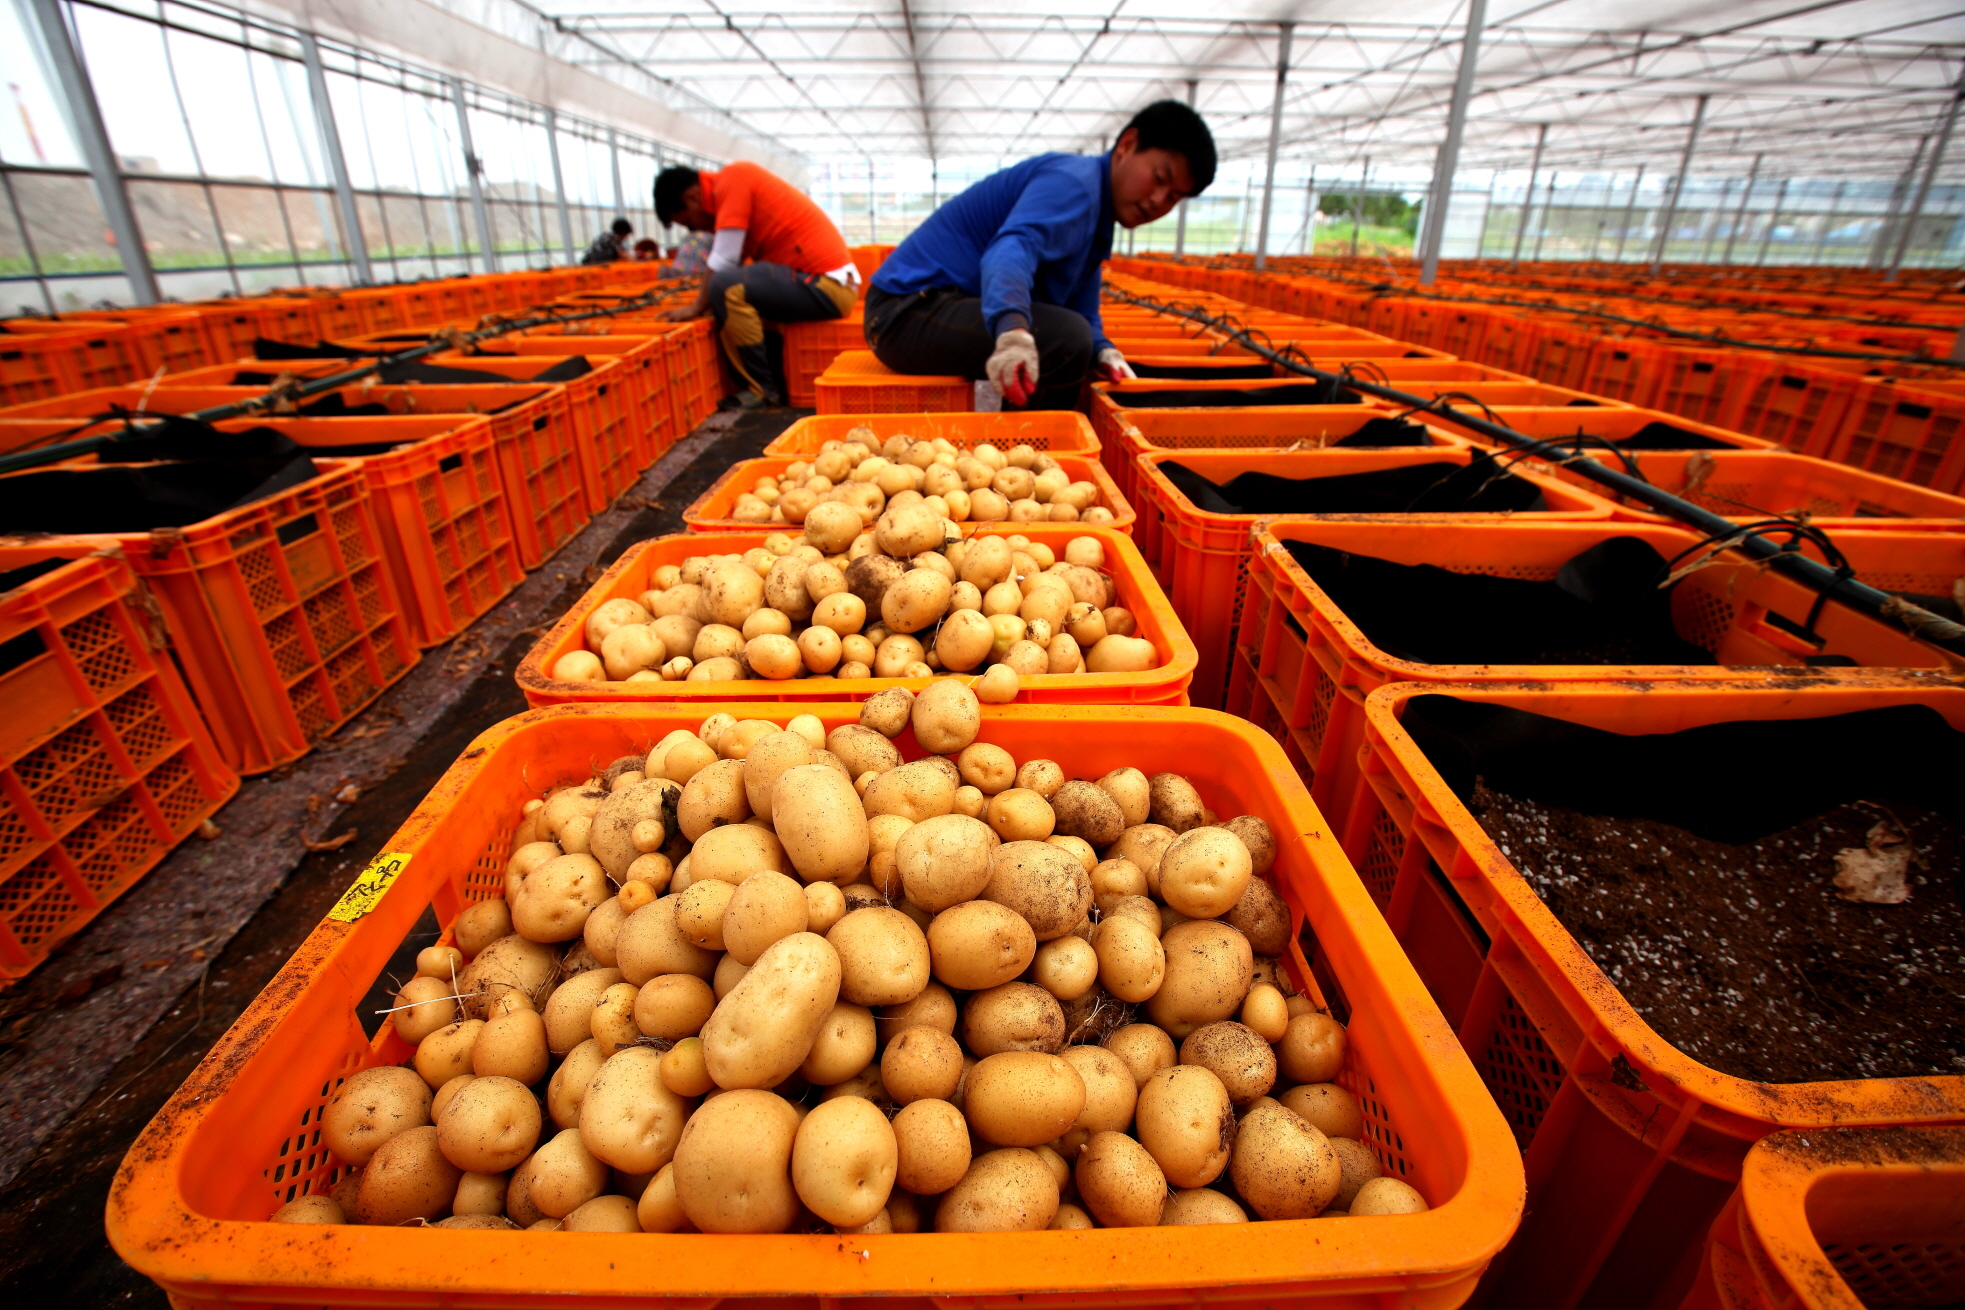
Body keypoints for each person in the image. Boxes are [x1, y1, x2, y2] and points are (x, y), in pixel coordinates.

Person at [864, 100, 1215, 409]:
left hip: (934, 308)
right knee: (1065, 341)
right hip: (903, 312)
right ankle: (1032, 450)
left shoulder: (1096, 220)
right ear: (1127, 145)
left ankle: (1019, 450)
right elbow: (1009, 250)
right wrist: (1013, 331)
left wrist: (1103, 350)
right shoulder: (1075, 184)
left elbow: (1081, 307)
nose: (1158, 200)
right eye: (1159, 177)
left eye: (1173, 197)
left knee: (1075, 337)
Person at [654, 162, 859, 406]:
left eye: (688, 222)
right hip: (821, 283)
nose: (695, 229)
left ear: (692, 197)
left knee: (726, 287)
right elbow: (734, 260)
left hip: (826, 285)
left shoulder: (733, 180)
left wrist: (696, 306)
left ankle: (761, 390)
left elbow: (725, 258)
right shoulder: (734, 184)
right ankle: (773, 384)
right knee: (731, 288)